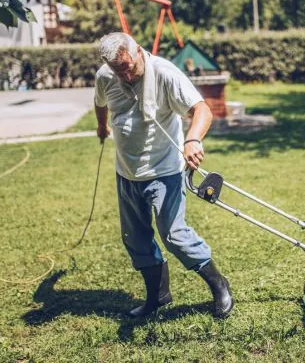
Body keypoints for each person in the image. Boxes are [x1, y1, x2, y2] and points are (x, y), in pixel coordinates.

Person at [93, 32, 233, 318]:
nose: (125, 75)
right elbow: (100, 102)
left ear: (139, 52)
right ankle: (158, 296)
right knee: (135, 237)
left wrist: (193, 139)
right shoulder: (107, 76)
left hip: (164, 171)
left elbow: (201, 109)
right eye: (118, 70)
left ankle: (219, 284)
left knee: (174, 235)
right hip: (127, 173)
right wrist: (101, 126)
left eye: (128, 66)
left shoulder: (165, 73)